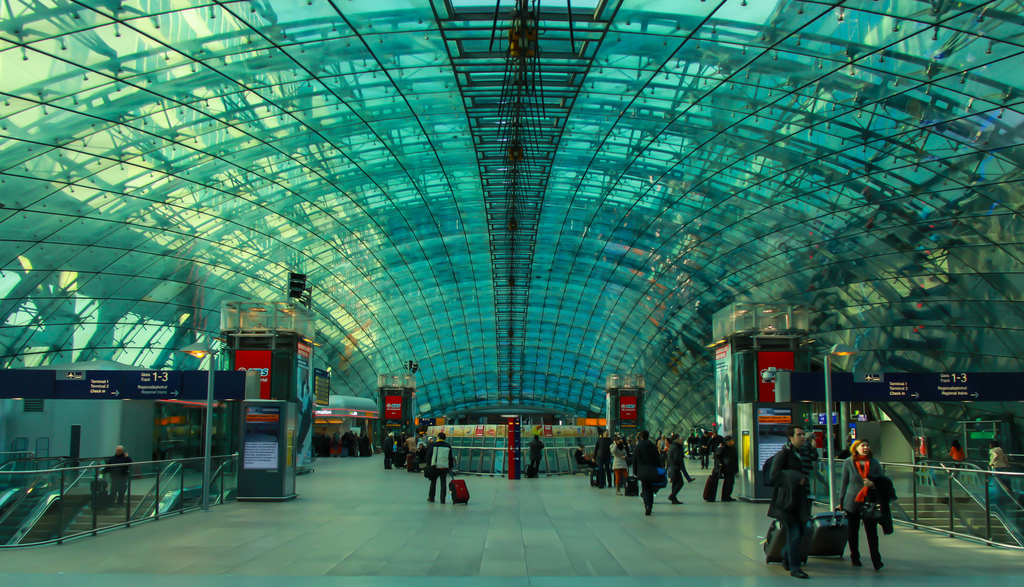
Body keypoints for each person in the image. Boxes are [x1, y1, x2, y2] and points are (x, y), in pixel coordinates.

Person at [768, 425, 814, 579]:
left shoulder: (805, 453)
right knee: (794, 532)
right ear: (791, 437)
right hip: (788, 499)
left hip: (803, 497)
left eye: (803, 434)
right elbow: (774, 475)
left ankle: (785, 554)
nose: (803, 437)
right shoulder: (783, 454)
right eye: (799, 435)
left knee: (802, 531)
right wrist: (795, 478)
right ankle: (795, 567)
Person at [838, 439, 884, 570]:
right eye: (862, 446)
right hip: (852, 500)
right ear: (855, 448)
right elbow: (844, 483)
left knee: (872, 531)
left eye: (867, 445)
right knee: (853, 530)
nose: (865, 448)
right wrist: (840, 502)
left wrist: (873, 484)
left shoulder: (874, 462)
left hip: (869, 500)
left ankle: (876, 559)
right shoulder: (848, 462)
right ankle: (855, 556)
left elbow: (882, 480)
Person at [634, 430, 660, 516]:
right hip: (652, 470)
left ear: (641, 437)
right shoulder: (653, 446)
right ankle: (650, 506)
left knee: (645, 488)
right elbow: (658, 458)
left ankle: (647, 505)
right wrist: (660, 469)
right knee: (650, 489)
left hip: (642, 470)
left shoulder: (638, 447)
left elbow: (635, 460)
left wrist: (635, 471)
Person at [427, 432, 455, 503]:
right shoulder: (448, 446)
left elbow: (428, 455)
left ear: (438, 437)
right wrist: (450, 467)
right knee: (443, 483)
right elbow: (450, 458)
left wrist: (429, 464)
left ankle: (431, 497)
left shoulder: (434, 445)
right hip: (444, 467)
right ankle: (442, 499)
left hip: (435, 466)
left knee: (433, 482)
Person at [717, 435, 739, 502]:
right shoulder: (723, 448)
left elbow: (735, 458)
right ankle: (724, 496)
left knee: (731, 482)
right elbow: (718, 457)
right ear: (727, 442)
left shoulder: (733, 448)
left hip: (732, 467)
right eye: (731, 441)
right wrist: (719, 464)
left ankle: (728, 495)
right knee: (727, 482)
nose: (733, 442)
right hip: (726, 468)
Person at [666, 433, 686, 504]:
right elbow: (677, 458)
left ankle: (674, 499)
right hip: (675, 467)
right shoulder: (677, 447)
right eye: (681, 438)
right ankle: (672, 496)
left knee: (674, 483)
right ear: (676, 439)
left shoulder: (671, 446)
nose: (682, 440)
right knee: (680, 483)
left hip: (671, 467)